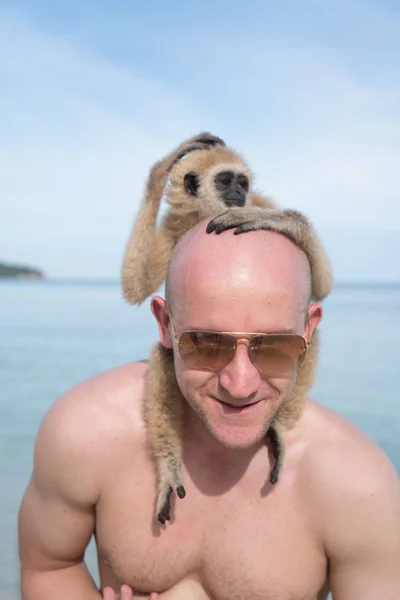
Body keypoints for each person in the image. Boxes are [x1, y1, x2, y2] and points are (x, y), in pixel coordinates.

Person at [18, 218, 400, 600]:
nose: (240, 384)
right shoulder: (87, 430)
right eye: (206, 342)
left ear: (308, 330)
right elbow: (51, 566)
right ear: (166, 324)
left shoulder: (356, 485)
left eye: (274, 345)